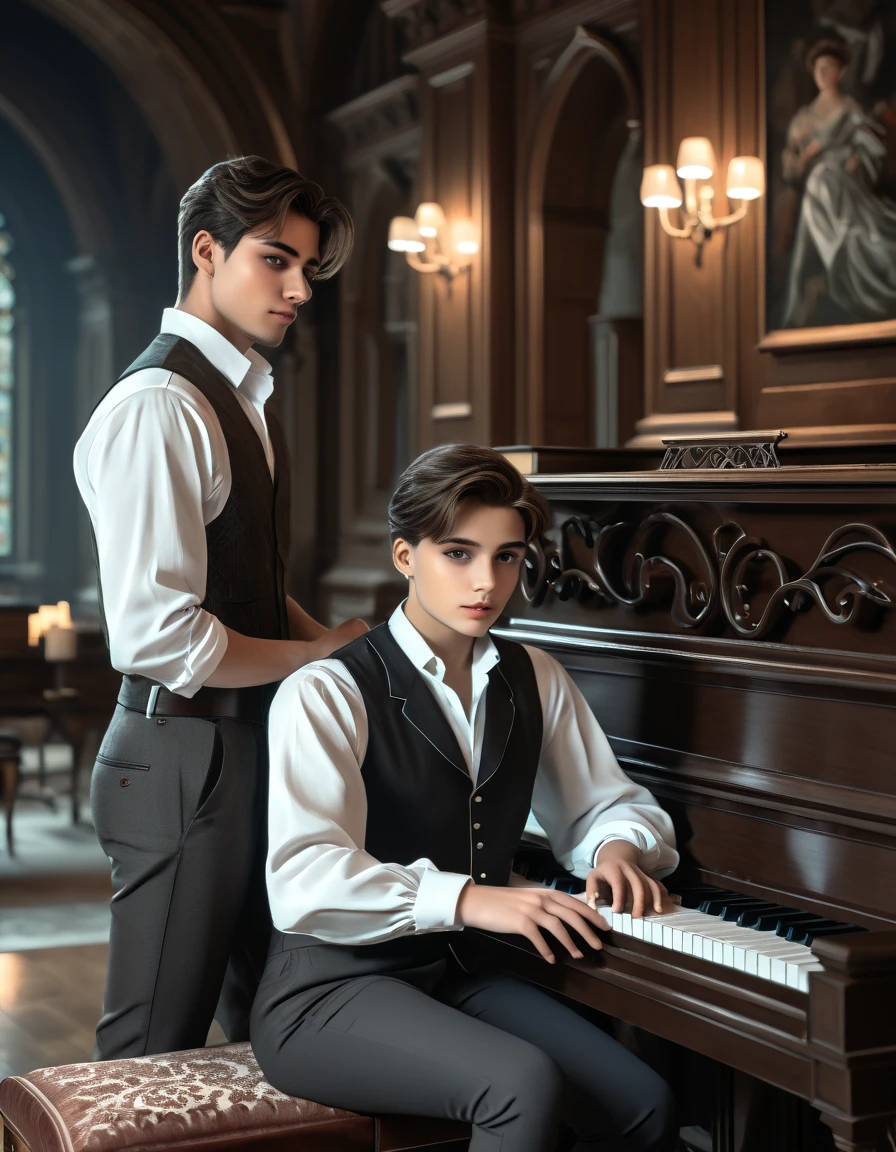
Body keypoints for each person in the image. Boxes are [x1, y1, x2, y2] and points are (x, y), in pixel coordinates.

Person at [251, 444, 680, 1152]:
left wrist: (616, 846)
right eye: (458, 553)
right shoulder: (325, 691)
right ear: (404, 557)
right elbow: (303, 880)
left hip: (458, 973)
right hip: (328, 990)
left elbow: (603, 802)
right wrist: (471, 899)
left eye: (507, 556)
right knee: (521, 1084)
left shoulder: (533, 675)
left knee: (647, 1105)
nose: (486, 581)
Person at [73, 156, 367, 1060]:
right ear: (207, 251)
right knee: (149, 1050)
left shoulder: (239, 396)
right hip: (177, 756)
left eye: (308, 270)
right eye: (276, 261)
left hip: (243, 747)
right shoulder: (161, 403)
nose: (298, 290)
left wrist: (339, 644)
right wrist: (320, 659)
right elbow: (163, 634)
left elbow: (234, 581)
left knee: (274, 1030)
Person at [781, 38, 896, 328]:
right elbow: (791, 172)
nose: (822, 74)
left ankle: (854, 268)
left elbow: (872, 151)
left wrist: (858, 159)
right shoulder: (803, 120)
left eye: (828, 68)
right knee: (820, 180)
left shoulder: (850, 109)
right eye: (818, 68)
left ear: (840, 72)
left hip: (848, 187)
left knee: (870, 235)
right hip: (819, 191)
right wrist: (801, 161)